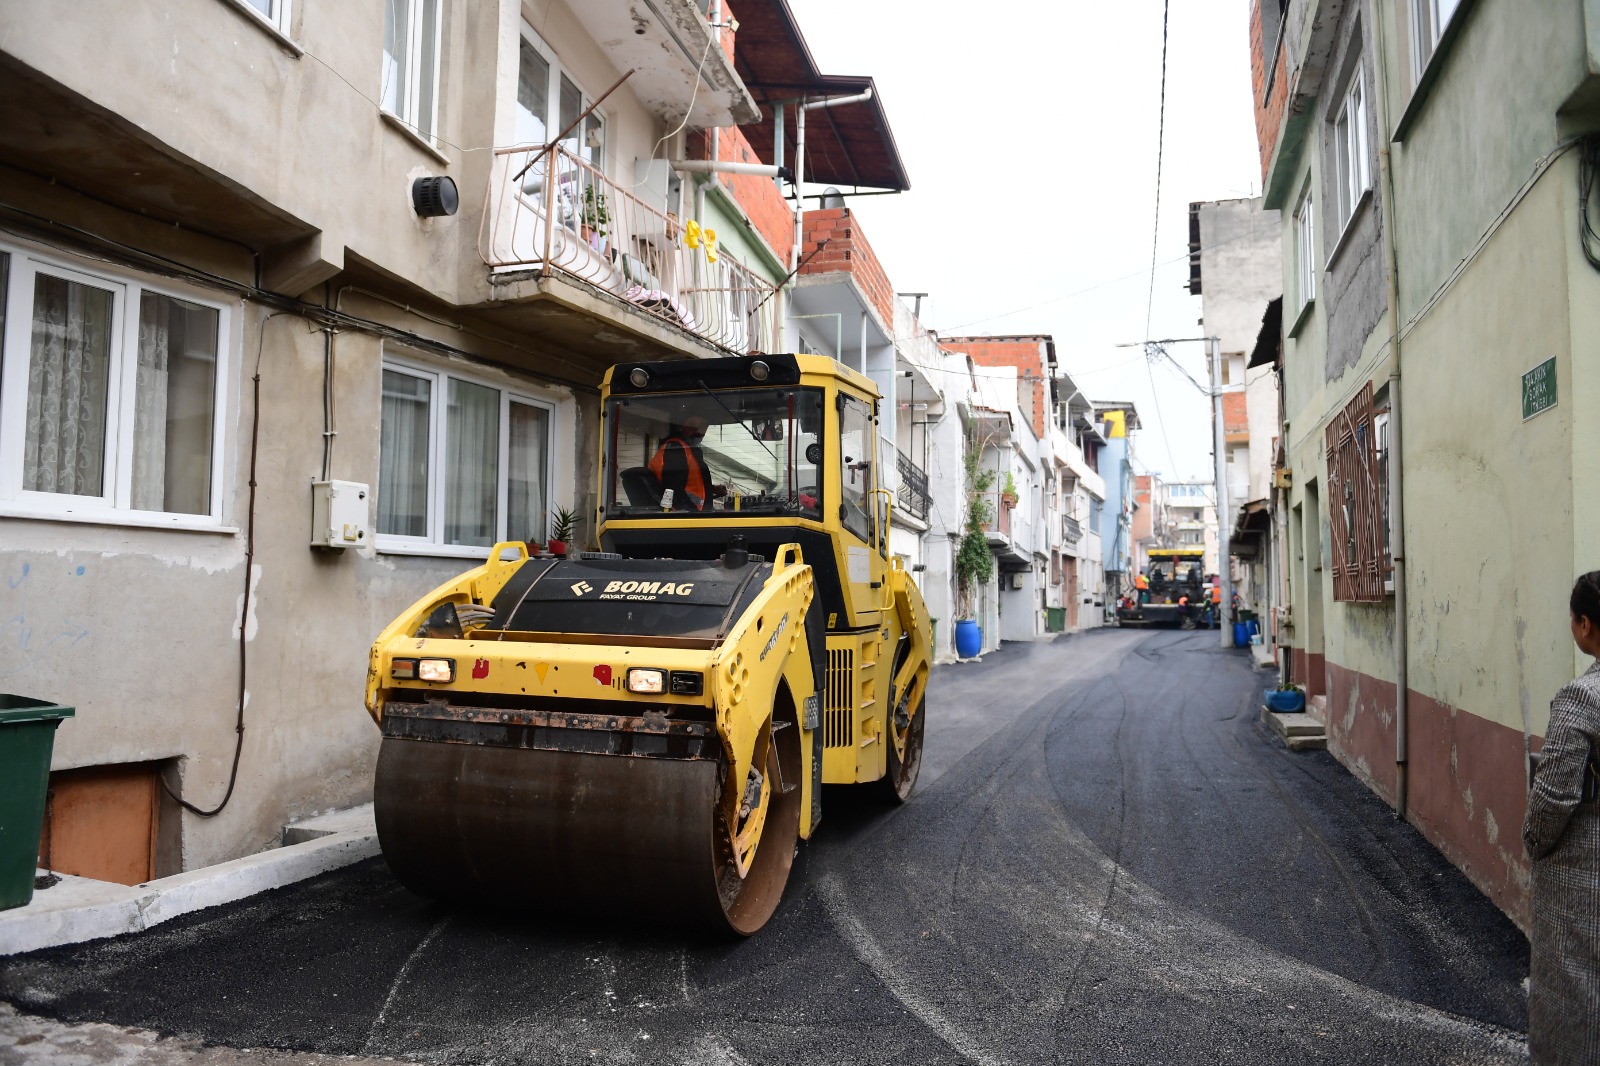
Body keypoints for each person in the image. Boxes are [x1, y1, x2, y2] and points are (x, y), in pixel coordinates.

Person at [1523, 570, 1600, 1064]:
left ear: (1585, 624)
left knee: (1578, 1006)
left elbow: (1552, 801)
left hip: (1583, 880)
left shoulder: (1582, 698)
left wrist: (1532, 841)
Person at [648, 416, 726, 512]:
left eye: (703, 428)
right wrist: (693, 513)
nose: (699, 433)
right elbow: (673, 487)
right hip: (686, 515)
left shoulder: (689, 450)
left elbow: (688, 483)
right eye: (693, 428)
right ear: (684, 427)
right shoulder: (676, 450)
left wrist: (712, 489)